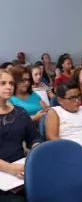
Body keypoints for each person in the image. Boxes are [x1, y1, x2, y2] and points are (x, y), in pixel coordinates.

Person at [0, 69, 42, 202]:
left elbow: (34, 137)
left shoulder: (20, 112)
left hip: (20, 167)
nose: (8, 87)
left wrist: (36, 150)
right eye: (3, 83)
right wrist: (10, 168)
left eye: (11, 83)